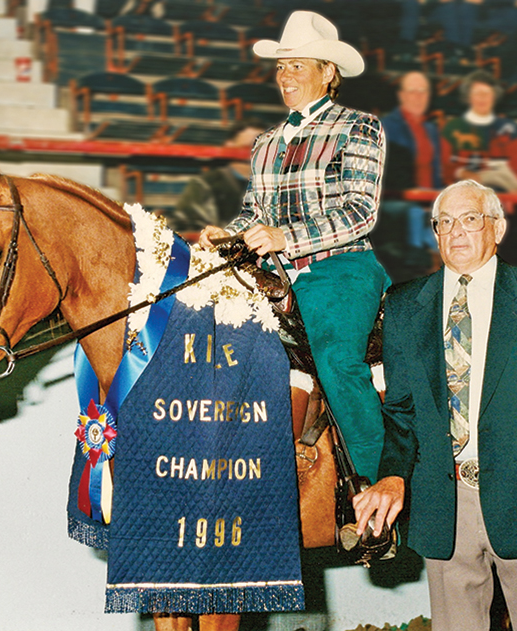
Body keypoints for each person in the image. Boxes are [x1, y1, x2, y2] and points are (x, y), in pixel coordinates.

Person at [353, 179, 517, 631]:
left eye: (470, 219)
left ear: (497, 228)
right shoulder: (404, 305)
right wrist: (391, 475)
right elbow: (402, 413)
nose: (457, 232)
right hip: (444, 505)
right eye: (444, 222)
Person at [198, 10, 390, 484]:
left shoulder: (359, 127)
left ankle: (376, 484)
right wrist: (227, 234)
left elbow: (360, 211)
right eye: (281, 67)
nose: (285, 76)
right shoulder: (265, 142)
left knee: (337, 360)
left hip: (340, 268)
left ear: (328, 73)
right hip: (275, 274)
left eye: (297, 66)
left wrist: (287, 238)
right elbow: (253, 211)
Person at [377, 71, 441, 282]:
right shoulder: (385, 126)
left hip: (430, 199)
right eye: (413, 92)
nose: (418, 97)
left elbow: (437, 172)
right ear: (402, 95)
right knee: (414, 214)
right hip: (397, 200)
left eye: (423, 92)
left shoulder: (431, 129)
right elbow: (387, 175)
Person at [166, 118, 265, 236]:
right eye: (250, 145)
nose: (256, 150)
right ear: (230, 145)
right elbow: (188, 230)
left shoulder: (273, 185)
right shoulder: (206, 185)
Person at [440, 70, 517, 192]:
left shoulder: (508, 127)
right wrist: (462, 172)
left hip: (504, 191)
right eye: (477, 92)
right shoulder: (452, 127)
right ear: (468, 97)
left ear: (495, 96)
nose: (482, 97)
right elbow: (444, 167)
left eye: (487, 92)